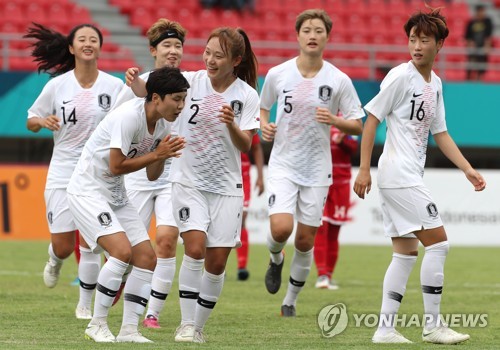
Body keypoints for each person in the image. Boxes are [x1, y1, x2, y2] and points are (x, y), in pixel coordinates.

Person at [353, 8, 486, 345]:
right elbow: (371, 119)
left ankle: (384, 330)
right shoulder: (400, 77)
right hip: (397, 174)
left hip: (407, 174)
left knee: (405, 252)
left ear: (439, 44)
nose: (417, 45)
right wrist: (364, 168)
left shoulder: (436, 84)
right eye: (413, 39)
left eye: (424, 39)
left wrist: (467, 168)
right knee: (439, 244)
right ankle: (432, 326)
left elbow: (440, 133)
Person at [127, 26, 260, 343]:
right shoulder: (191, 82)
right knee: (196, 248)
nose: (210, 60)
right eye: (208, 53)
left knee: (216, 264)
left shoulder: (247, 96)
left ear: (237, 60)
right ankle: (186, 324)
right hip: (188, 182)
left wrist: (231, 125)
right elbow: (152, 92)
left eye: (219, 55)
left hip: (227, 188)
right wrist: (135, 83)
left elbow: (245, 145)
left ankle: (198, 326)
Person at [66, 66, 189, 343]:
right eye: (177, 98)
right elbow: (116, 165)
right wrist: (157, 153)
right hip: (87, 190)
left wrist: (162, 156)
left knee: (147, 258)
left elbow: (151, 174)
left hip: (114, 193)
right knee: (121, 252)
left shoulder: (164, 126)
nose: (181, 105)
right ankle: (96, 325)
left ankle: (129, 331)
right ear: (156, 98)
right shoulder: (128, 117)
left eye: (184, 98)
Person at [259, 9, 364, 317]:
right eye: (307, 30)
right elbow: (262, 109)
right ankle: (276, 259)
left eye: (319, 30)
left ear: (327, 37)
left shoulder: (338, 79)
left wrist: (334, 120)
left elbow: (358, 124)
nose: (313, 35)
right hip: (283, 165)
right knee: (281, 229)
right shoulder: (279, 74)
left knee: (305, 241)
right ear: (298, 35)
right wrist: (264, 125)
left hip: (318, 170)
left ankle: (290, 301)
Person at [25, 23, 123, 320]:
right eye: (82, 39)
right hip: (63, 171)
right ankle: (55, 261)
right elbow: (31, 119)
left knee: (90, 240)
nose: (88, 43)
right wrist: (43, 123)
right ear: (72, 48)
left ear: (100, 47)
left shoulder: (114, 86)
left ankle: (84, 304)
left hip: (97, 174)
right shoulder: (57, 85)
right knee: (64, 246)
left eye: (93, 39)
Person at [112, 18, 187, 329]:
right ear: (153, 50)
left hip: (176, 173)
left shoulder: (188, 83)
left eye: (178, 46)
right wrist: (139, 90)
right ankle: (115, 280)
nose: (173, 51)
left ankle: (152, 314)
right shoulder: (134, 84)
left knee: (167, 241)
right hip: (138, 176)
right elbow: (115, 126)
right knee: (131, 251)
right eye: (167, 45)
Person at [313, 126, 357, 290]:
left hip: (341, 184)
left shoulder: (348, 120)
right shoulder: (318, 115)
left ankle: (328, 275)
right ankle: (322, 274)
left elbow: (354, 148)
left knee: (334, 230)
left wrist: (343, 141)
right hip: (321, 182)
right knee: (321, 227)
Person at [237, 133, 264, 280]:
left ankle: (242, 266)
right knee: (219, 222)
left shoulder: (246, 116)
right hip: (223, 172)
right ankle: (217, 264)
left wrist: (260, 176)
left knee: (242, 219)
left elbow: (256, 147)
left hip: (243, 174)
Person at [464, 5, 493, 81]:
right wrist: (470, 45)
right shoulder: (471, 23)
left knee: (481, 68)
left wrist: (487, 47)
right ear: (476, 12)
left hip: (482, 50)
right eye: (479, 11)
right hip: (473, 50)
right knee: (471, 66)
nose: (481, 13)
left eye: (482, 11)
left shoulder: (487, 22)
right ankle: (469, 82)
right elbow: (467, 37)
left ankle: (479, 82)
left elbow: (488, 36)